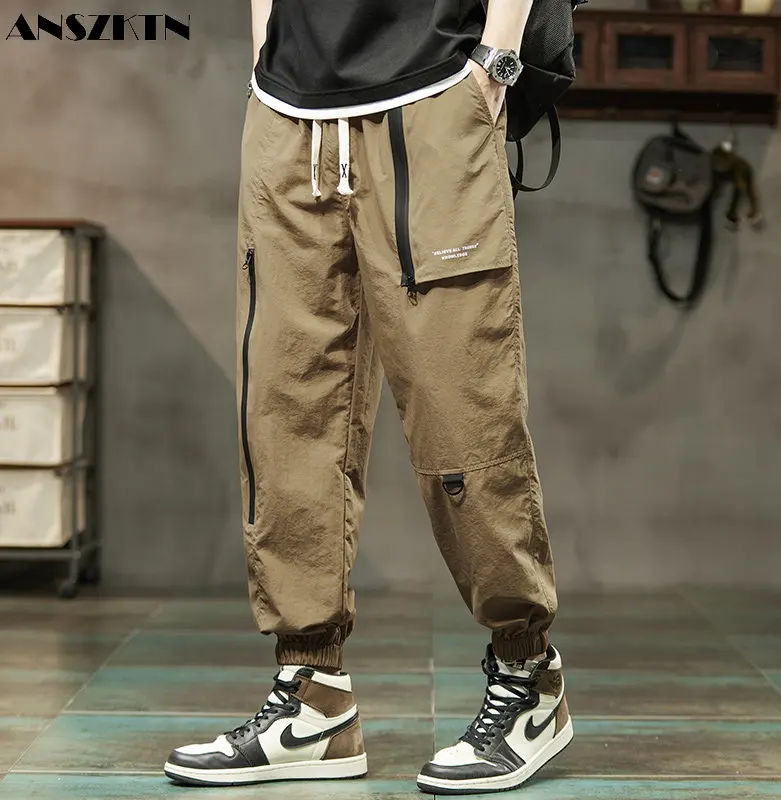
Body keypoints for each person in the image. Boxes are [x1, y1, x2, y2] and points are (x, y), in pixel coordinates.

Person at [164, 0, 572, 793]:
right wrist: (264, 50)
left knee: (462, 407)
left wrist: (495, 61)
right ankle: (312, 696)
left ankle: (529, 676)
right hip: (288, 109)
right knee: (284, 415)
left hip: (433, 93)